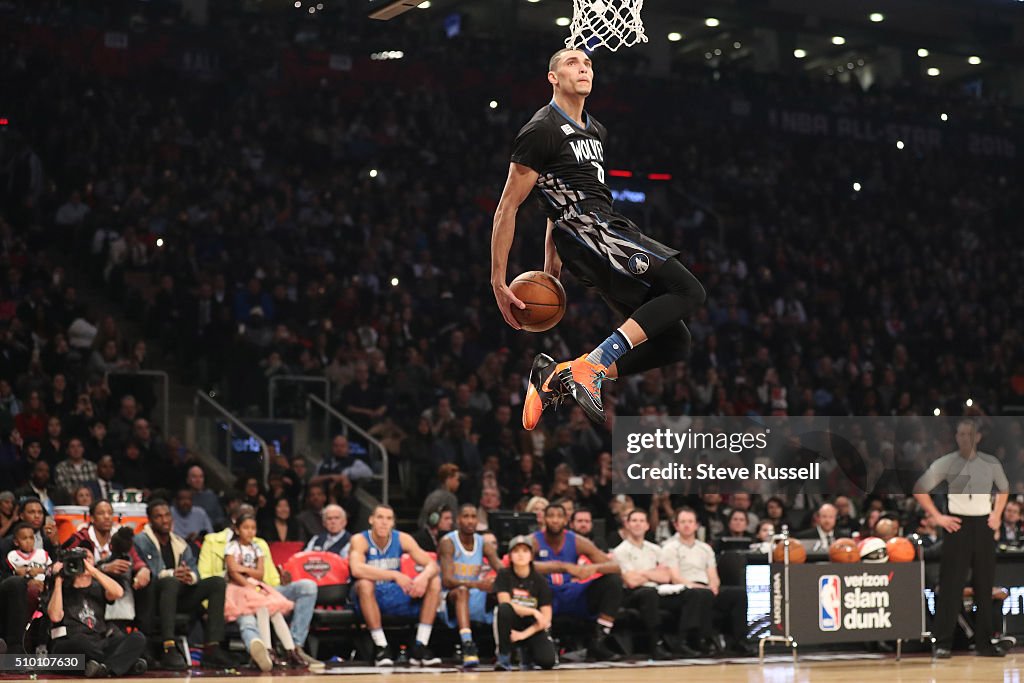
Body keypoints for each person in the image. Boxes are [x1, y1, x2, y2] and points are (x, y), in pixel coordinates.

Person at [491, 48, 705, 429]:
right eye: (572, 63)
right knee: (688, 290)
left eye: (588, 63)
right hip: (593, 233)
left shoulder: (595, 129)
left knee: (675, 343)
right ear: (552, 78)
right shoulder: (541, 130)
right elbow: (508, 207)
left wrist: (551, 272)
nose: (584, 67)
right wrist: (497, 279)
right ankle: (594, 363)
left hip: (601, 232)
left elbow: (553, 206)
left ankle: (561, 375)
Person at [913, 418, 1010, 658]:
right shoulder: (946, 462)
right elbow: (919, 488)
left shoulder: (990, 463)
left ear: (977, 437)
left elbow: (1004, 489)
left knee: (984, 584)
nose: (964, 438)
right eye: (961, 434)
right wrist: (938, 517)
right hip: (957, 525)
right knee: (950, 585)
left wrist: (997, 515)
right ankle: (943, 643)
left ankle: (985, 643)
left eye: (969, 434)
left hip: (983, 524)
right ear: (956, 437)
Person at [198, 503, 321, 670]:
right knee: (248, 617)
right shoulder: (213, 541)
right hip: (231, 593)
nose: (250, 530)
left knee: (307, 587)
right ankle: (260, 650)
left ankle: (294, 648)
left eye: (253, 524)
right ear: (236, 523)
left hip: (262, 588)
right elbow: (210, 576)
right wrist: (212, 606)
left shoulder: (259, 545)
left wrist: (279, 580)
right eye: (246, 524)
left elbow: (264, 575)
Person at [133, 499, 235, 670]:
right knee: (170, 582)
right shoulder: (141, 541)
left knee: (217, 583)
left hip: (178, 597)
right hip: (153, 600)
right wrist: (173, 573)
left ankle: (212, 647)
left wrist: (190, 576)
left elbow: (195, 571)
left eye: (167, 515)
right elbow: (148, 571)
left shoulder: (180, 542)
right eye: (159, 517)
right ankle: (169, 646)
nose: (165, 520)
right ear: (150, 520)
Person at [349, 504, 442, 667]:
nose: (384, 522)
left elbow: (433, 565)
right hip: (369, 596)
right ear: (371, 520)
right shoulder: (360, 539)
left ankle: (421, 645)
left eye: (389, 518)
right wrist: (394, 574)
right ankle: (381, 647)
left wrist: (423, 578)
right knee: (364, 583)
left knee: (434, 580)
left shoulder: (402, 538)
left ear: (393, 523)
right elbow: (357, 569)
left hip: (393, 592)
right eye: (380, 518)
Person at [532, 503, 622, 660]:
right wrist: (563, 566)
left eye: (559, 516)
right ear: (544, 519)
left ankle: (598, 641)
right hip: (547, 596)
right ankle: (540, 642)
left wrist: (594, 568)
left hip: (574, 594)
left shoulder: (577, 540)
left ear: (566, 520)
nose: (555, 520)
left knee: (612, 581)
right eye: (551, 516)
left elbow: (615, 567)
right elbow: (519, 566)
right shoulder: (534, 540)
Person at [659, 507, 752, 655]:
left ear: (696, 525)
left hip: (706, 588)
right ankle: (687, 641)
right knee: (698, 594)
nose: (687, 525)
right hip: (683, 589)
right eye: (683, 522)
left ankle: (739, 641)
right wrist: (697, 587)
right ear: (676, 525)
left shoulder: (705, 549)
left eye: (690, 521)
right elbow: (675, 577)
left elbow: (713, 574)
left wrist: (714, 586)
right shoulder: (670, 548)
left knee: (739, 594)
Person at [223, 512, 304, 670]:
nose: (250, 532)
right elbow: (232, 572)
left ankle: (290, 650)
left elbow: (260, 573)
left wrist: (243, 569)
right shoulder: (232, 547)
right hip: (238, 588)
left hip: (255, 584)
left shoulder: (257, 548)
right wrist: (248, 582)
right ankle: (268, 649)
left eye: (253, 528)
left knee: (274, 610)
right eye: (246, 528)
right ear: (238, 530)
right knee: (263, 606)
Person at [47, 550, 148, 678]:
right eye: (78, 560)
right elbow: (55, 616)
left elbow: (118, 593)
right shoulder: (61, 588)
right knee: (81, 643)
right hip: (70, 644)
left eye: (87, 558)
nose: (83, 562)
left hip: (98, 642)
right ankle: (121, 664)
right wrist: (58, 581)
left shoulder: (98, 586)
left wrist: (94, 571)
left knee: (137, 638)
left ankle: (104, 668)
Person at [437, 504, 503, 668]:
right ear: (458, 520)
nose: (470, 521)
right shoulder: (448, 542)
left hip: (476, 593)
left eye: (473, 517)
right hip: (450, 596)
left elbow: (502, 570)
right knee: (462, 591)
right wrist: (476, 584)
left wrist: (497, 582)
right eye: (466, 516)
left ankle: (507, 649)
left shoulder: (483, 543)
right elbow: (447, 580)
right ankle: (468, 646)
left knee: (502, 591)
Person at [608, 510, 675, 659]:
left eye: (641, 521)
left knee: (689, 595)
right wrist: (653, 572)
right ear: (627, 524)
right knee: (648, 593)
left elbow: (666, 577)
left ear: (647, 525)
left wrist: (642, 573)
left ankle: (685, 642)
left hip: (658, 589)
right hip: (632, 595)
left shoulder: (656, 549)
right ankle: (655, 644)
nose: (638, 524)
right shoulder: (620, 551)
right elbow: (630, 581)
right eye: (634, 521)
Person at [493, 535, 556, 671]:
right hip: (511, 621)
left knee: (548, 661)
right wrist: (532, 611)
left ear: (531, 556)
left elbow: (546, 618)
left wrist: (523, 635)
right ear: (509, 556)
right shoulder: (504, 575)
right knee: (503, 609)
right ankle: (504, 657)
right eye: (516, 551)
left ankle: (527, 652)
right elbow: (505, 602)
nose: (520, 555)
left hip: (531, 626)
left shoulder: (540, 581)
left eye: (525, 551)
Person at [5, 522, 50, 605]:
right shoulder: (13, 556)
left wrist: (41, 570)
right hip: (25, 591)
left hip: (45, 588)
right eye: (24, 538)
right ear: (16, 542)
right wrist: (28, 572)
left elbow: (51, 569)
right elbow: (12, 575)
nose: (28, 541)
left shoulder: (42, 553)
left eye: (31, 538)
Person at [418, 464, 460, 528]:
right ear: (448, 479)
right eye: (457, 479)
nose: (458, 483)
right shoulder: (450, 498)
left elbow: (422, 521)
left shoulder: (431, 496)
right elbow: (454, 524)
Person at [185, 465, 225, 530]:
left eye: (201, 477)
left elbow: (220, 517)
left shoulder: (211, 496)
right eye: (194, 477)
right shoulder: (182, 498)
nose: (198, 480)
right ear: (188, 480)